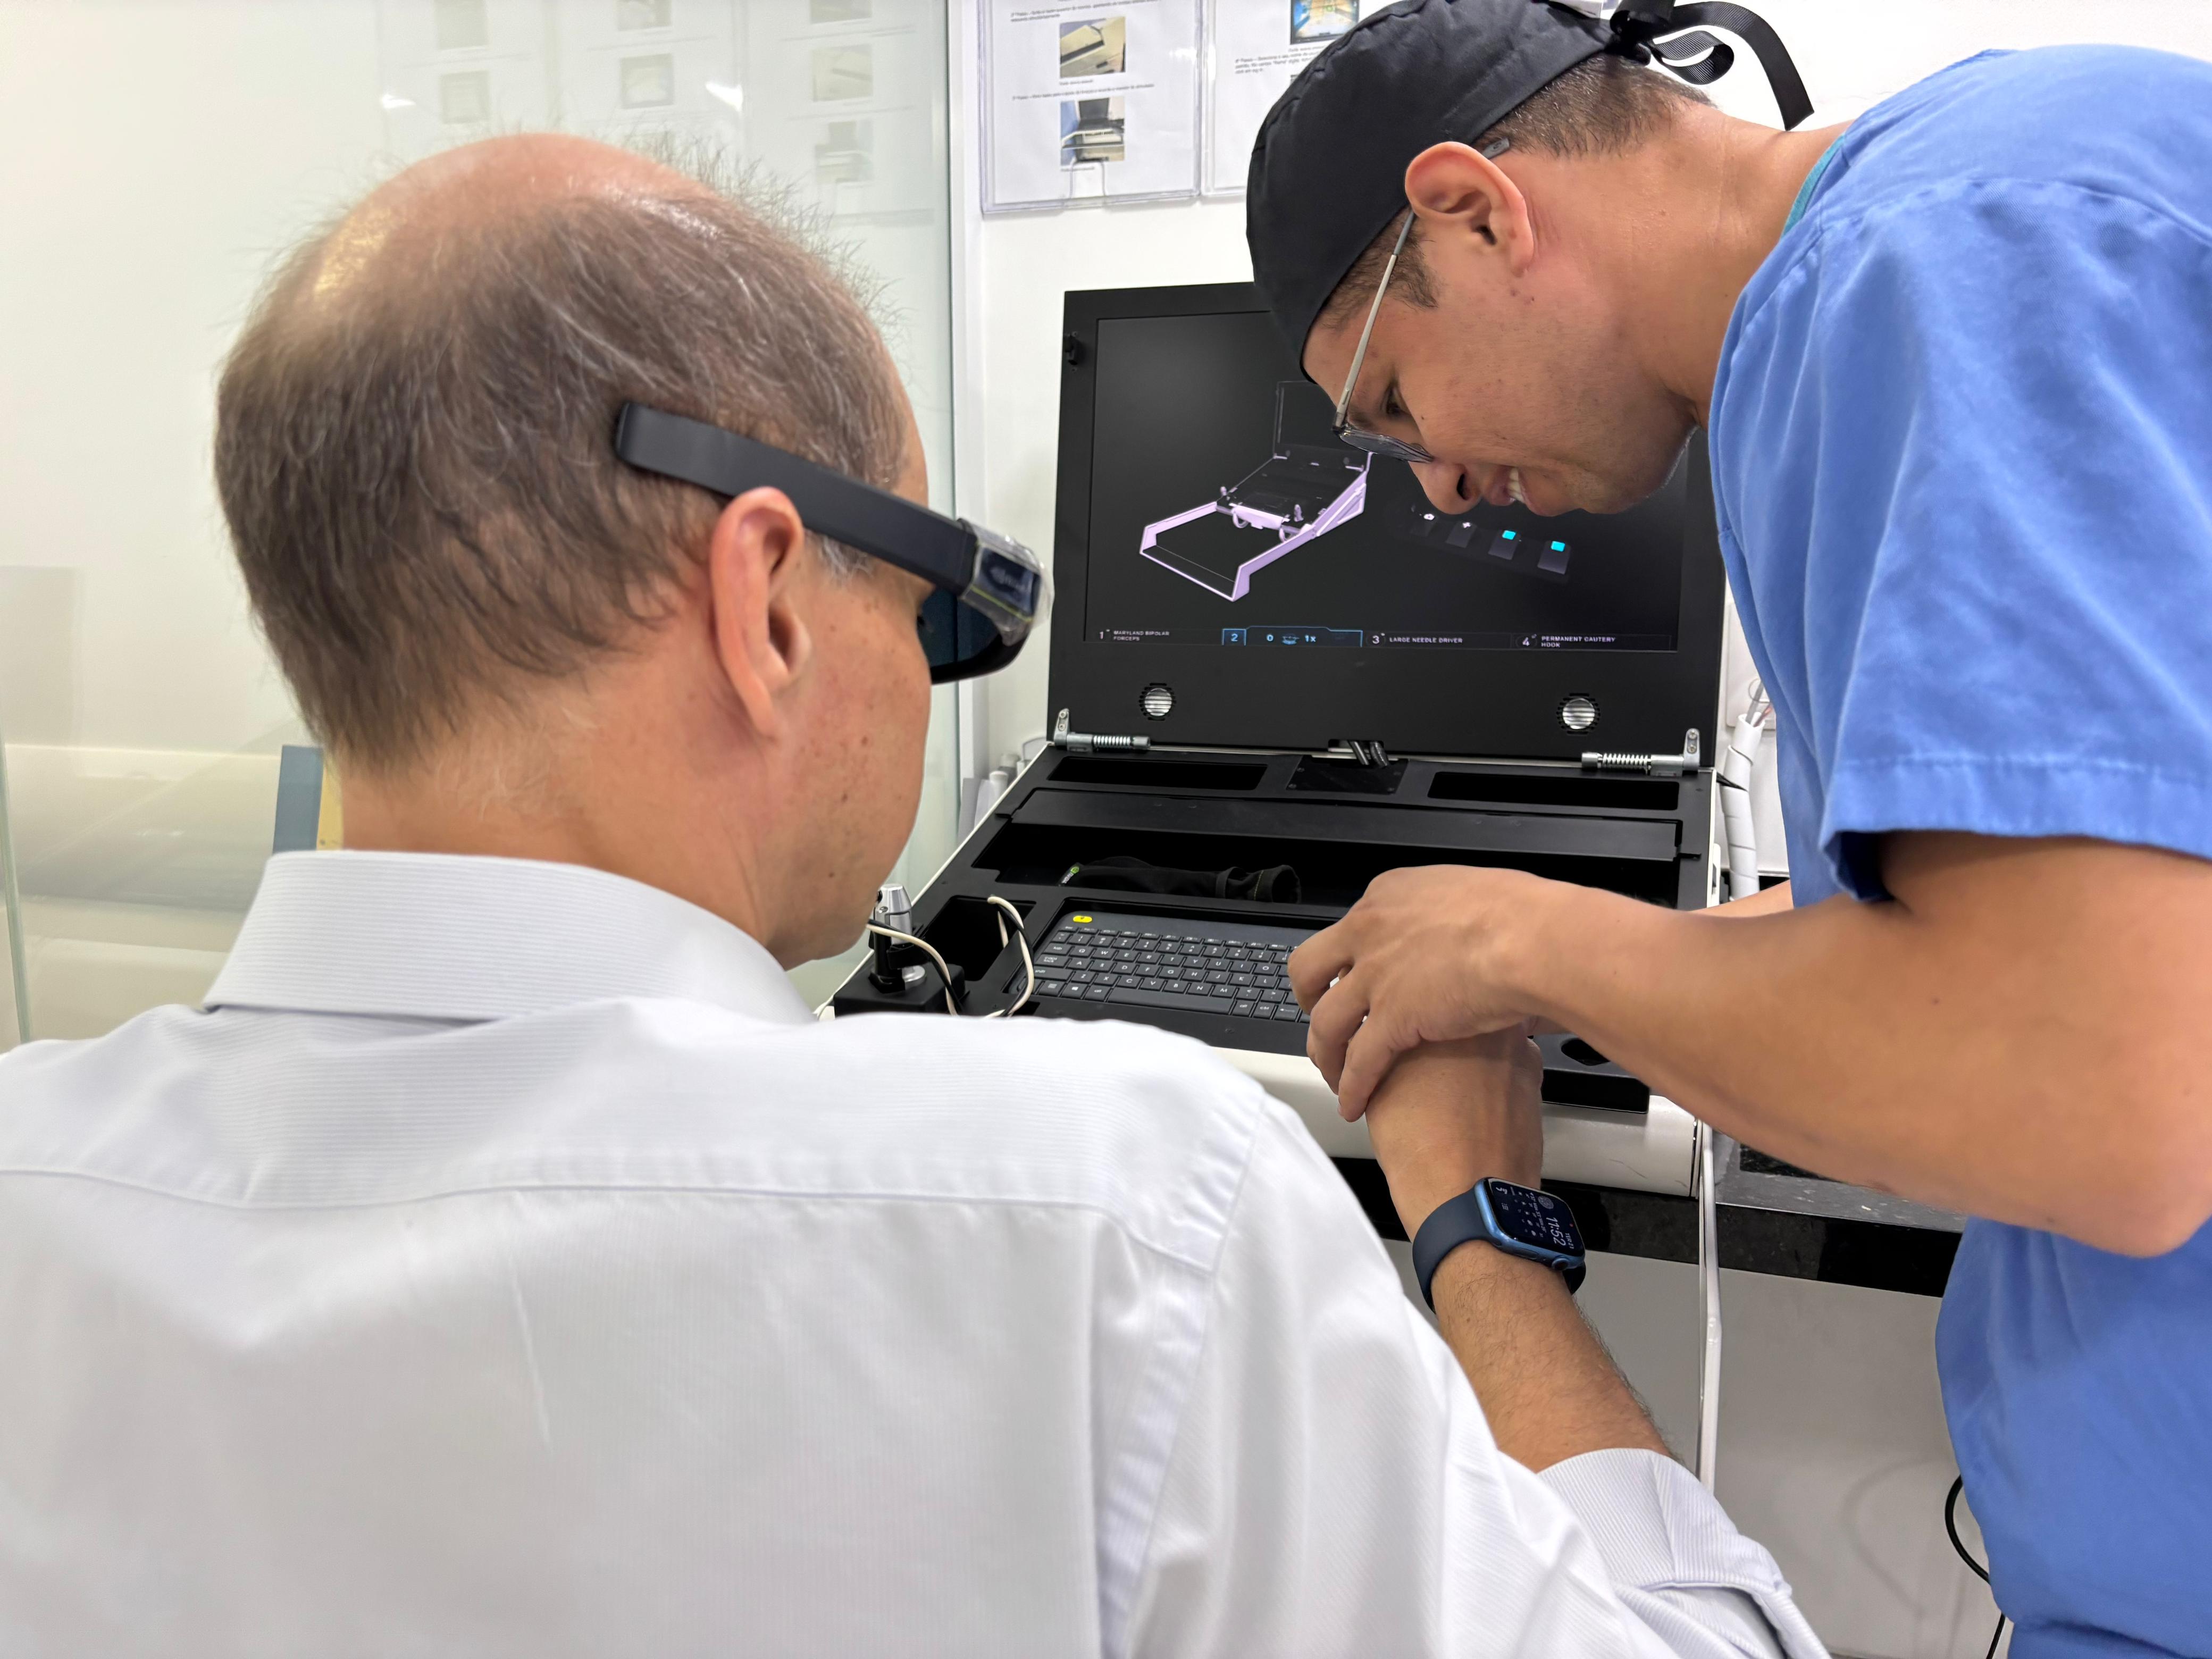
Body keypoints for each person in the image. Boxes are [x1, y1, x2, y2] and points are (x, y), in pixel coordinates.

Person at [0, 135, 1820, 1655]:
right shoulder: (1125, 1216)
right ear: (769, 609)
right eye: (942, 606)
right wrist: (1482, 1224)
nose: (938, 675)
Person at [1246, 3, 2212, 1653]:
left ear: (1476, 210)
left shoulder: (1939, 259)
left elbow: (2099, 1092)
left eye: (1395, 402)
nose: (1438, 485)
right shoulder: (1939, 232)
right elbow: (2051, 916)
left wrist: (1528, 941)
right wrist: (1579, 972)